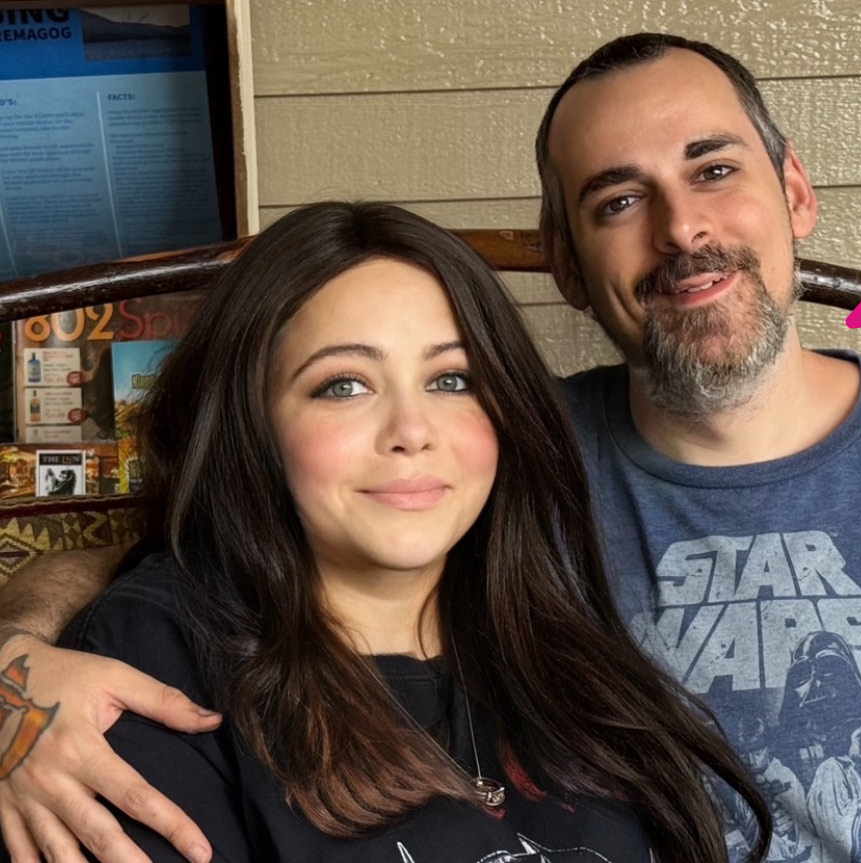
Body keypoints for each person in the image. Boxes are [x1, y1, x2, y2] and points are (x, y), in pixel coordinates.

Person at [0, 33, 861, 863]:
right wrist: (13, 659)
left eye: (716, 170)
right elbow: (207, 551)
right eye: (619, 200)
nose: (686, 229)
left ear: (795, 193)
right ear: (571, 261)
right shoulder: (510, 468)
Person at [0, 201, 769, 863]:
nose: (411, 429)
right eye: (344, 385)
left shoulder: (557, 638)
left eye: (452, 380)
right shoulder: (150, 667)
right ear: (251, 427)